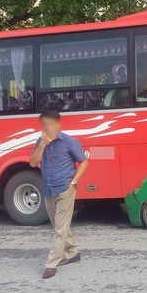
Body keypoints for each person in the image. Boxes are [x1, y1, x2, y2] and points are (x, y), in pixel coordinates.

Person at [29, 109, 88, 279]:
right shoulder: (41, 141)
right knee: (58, 226)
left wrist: (73, 183)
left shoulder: (70, 142)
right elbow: (33, 163)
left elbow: (84, 162)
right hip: (48, 189)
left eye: (49, 124)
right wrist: (42, 145)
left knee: (60, 229)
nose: (46, 127)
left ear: (57, 124)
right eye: (44, 124)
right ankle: (74, 252)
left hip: (65, 190)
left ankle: (51, 264)